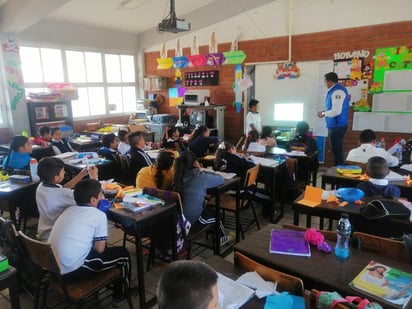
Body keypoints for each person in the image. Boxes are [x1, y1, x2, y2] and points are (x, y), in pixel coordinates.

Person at [48, 179, 131, 303]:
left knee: (103, 251)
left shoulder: (68, 210)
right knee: (123, 254)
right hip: (71, 272)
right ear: (93, 200)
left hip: (52, 268)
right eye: (101, 194)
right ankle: (121, 295)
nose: (104, 197)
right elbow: (99, 249)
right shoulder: (99, 215)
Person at [36, 157, 98, 241]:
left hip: (45, 232)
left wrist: (81, 175)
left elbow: (63, 189)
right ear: (55, 177)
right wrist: (94, 178)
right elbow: (89, 197)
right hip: (59, 235)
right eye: (62, 171)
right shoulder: (63, 195)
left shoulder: (41, 187)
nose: (64, 172)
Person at [173, 151, 229, 245]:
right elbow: (220, 179)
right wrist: (201, 170)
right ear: (195, 163)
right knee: (217, 215)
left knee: (208, 209)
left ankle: (212, 233)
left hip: (178, 220)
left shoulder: (177, 175)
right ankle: (222, 239)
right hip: (191, 222)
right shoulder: (199, 176)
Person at [317, 72, 350, 166]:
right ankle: (337, 170)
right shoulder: (334, 90)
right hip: (335, 124)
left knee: (337, 150)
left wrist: (323, 113)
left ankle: (338, 172)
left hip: (337, 125)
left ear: (330, 81)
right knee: (336, 150)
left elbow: (336, 111)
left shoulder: (337, 91)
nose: (324, 83)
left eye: (325, 81)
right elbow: (333, 108)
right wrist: (325, 111)